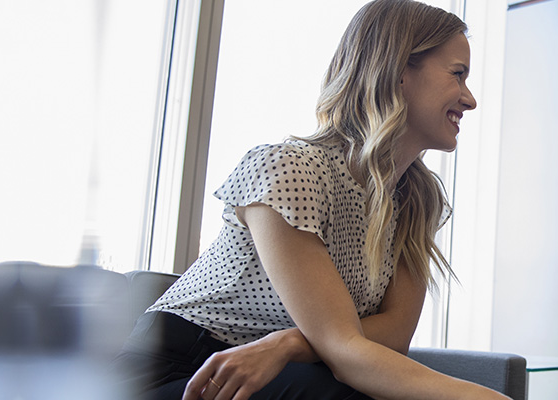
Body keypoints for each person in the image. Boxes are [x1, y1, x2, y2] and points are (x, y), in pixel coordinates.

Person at [112, 1, 507, 399]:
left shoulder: (416, 200)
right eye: (458, 75)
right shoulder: (288, 170)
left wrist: (286, 343)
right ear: (400, 72)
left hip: (273, 369)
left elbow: (393, 337)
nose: (469, 99)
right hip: (175, 374)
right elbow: (344, 348)